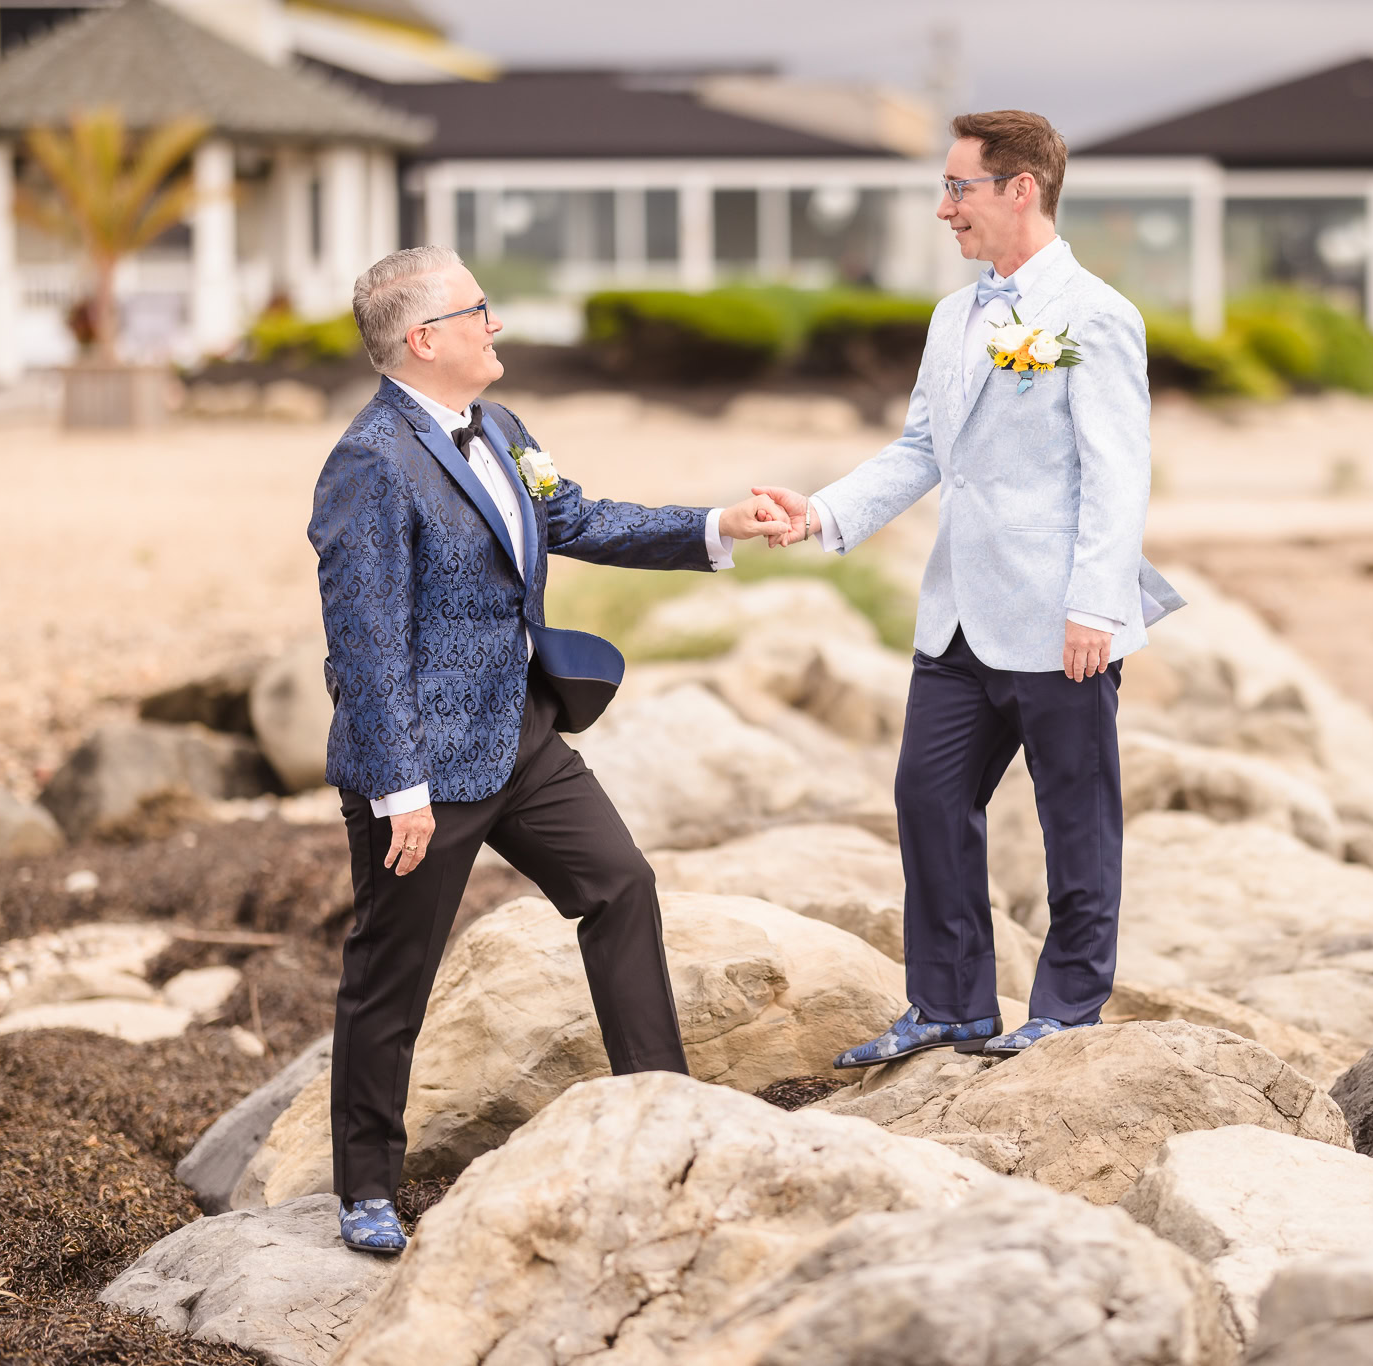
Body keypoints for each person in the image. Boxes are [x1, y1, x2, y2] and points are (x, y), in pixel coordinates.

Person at [308, 245, 787, 1255]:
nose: (497, 324)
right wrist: (400, 788)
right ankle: (364, 1188)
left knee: (620, 886)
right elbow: (366, 638)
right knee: (391, 975)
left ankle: (662, 1110)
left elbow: (573, 514)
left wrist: (714, 525)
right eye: (479, 308)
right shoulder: (368, 463)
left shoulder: (505, 428)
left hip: (524, 735)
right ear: (424, 338)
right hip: (422, 768)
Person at [755, 110, 1183, 1068]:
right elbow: (921, 452)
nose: (943, 208)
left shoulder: (1097, 315)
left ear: (1018, 190)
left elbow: (1117, 473)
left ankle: (1068, 1010)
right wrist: (820, 514)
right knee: (926, 796)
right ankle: (950, 1005)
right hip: (955, 611)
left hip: (1059, 616)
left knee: (1076, 815)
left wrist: (1098, 606)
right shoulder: (956, 318)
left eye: (959, 188)